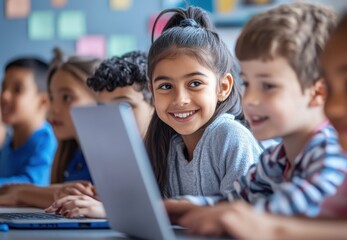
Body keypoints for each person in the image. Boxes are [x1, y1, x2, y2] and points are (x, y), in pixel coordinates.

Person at [173, 0, 347, 239]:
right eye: (247, 83)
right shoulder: (285, 156)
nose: (336, 106)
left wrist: (259, 223)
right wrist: (185, 206)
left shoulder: (346, 149)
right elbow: (334, 215)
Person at [47, 6, 261, 219]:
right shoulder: (170, 145)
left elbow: (240, 217)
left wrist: (117, 212)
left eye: (195, 83)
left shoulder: (230, 136)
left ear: (223, 87)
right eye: (166, 86)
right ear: (153, 92)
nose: (180, 99)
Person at [165, 1, 347, 225]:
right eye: (247, 83)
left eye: (268, 86)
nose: (250, 99)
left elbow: (302, 206)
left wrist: (227, 216)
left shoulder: (332, 150)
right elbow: (236, 200)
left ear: (317, 92)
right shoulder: (276, 158)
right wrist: (183, 207)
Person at [44, 51, 154, 218]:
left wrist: (113, 211)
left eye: (125, 106)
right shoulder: (117, 155)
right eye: (103, 108)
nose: (112, 117)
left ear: (156, 106)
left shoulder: (168, 154)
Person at [0, 49, 101, 208]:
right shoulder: (69, 151)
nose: (53, 108)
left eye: (67, 97)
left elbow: (81, 197)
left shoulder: (47, 140)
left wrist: (20, 193)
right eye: (52, 98)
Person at [0, 56, 57, 187]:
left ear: (43, 101)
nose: (4, 96)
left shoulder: (47, 141)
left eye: (17, 89)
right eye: (3, 87)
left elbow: (32, 185)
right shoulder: (8, 142)